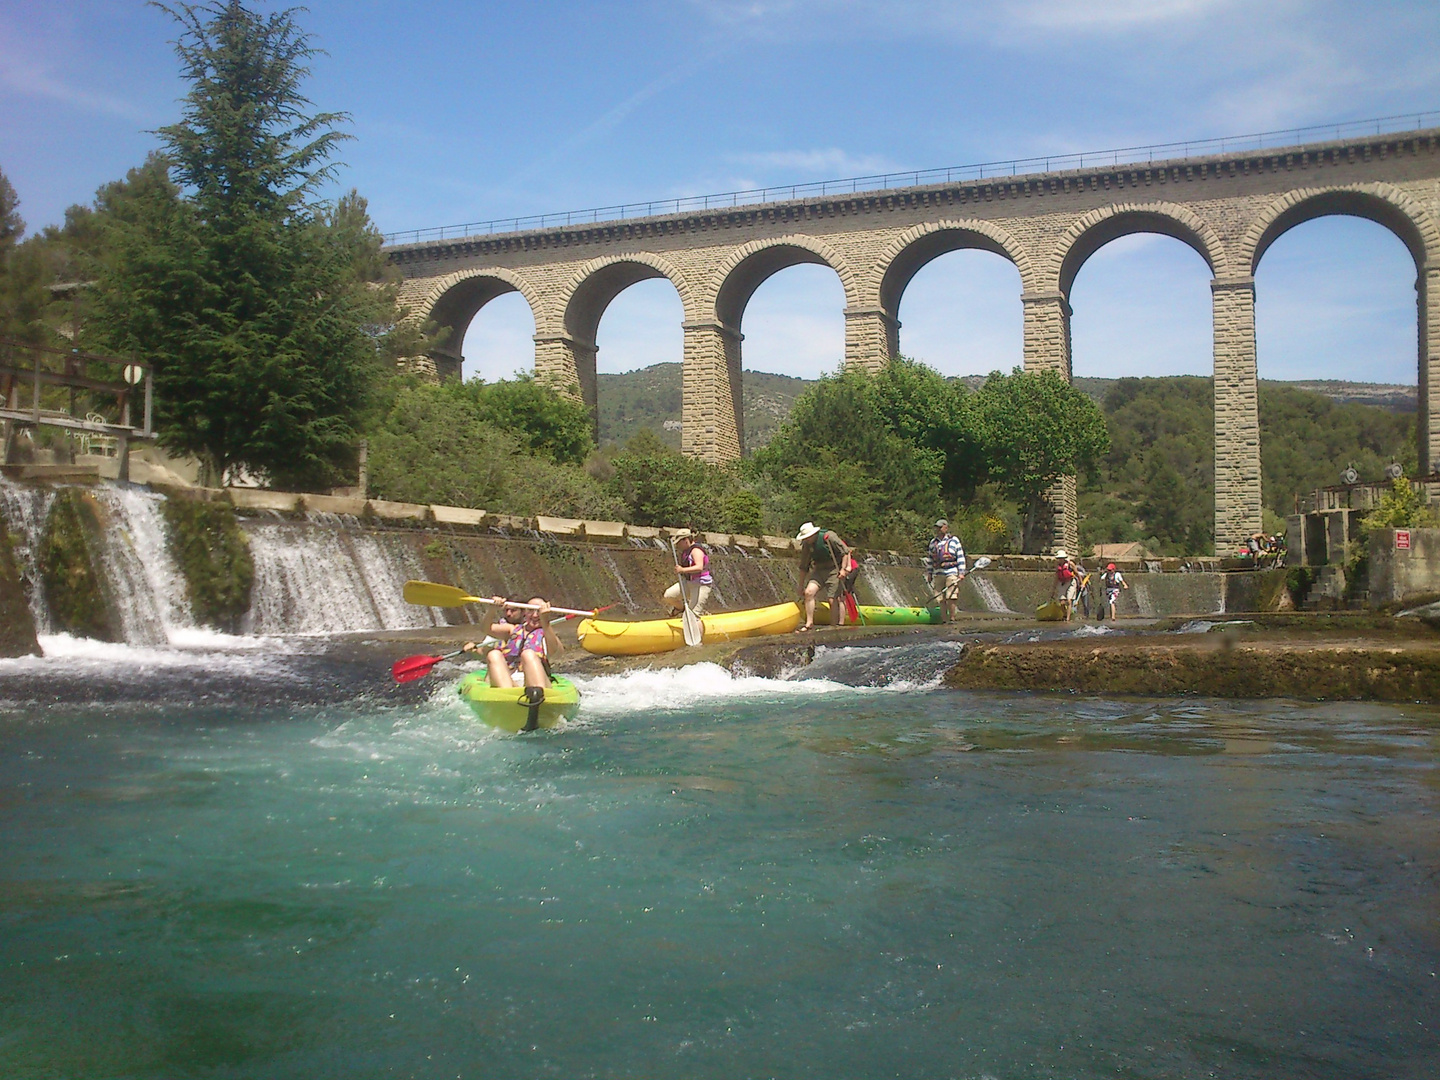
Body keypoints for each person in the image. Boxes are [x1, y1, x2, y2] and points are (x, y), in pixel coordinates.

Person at [461, 596, 562, 703]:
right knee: (494, 654)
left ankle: (539, 703)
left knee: (528, 654)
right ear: (525, 613)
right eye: (531, 610)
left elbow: (555, 652)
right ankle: (507, 700)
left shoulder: (548, 635)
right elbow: (485, 628)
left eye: (539, 611)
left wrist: (545, 621)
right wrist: (492, 609)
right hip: (508, 682)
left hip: (536, 685)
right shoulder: (512, 630)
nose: (535, 615)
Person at [794, 521, 850, 631]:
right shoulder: (806, 545)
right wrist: (800, 586)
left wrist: (844, 569)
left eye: (808, 537)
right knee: (809, 593)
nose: (806, 539)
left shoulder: (829, 537)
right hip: (818, 570)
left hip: (834, 569)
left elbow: (845, 551)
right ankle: (809, 623)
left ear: (813, 534)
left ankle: (834, 626)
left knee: (832, 599)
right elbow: (804, 566)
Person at [926, 518, 967, 623]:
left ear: (946, 527)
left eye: (940, 527)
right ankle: (944, 619)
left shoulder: (954, 540)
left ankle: (952, 618)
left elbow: (960, 556)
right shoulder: (933, 543)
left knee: (951, 596)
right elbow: (930, 559)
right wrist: (929, 573)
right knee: (940, 598)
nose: (939, 530)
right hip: (938, 573)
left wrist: (961, 572)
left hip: (952, 572)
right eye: (937, 528)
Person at [665, 529, 713, 616]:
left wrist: (682, 570)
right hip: (689, 583)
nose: (678, 545)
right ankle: (681, 609)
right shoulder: (687, 550)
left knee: (691, 615)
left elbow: (699, 567)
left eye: (679, 542)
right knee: (669, 596)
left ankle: (696, 615)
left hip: (701, 585)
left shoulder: (696, 550)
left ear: (686, 540)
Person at [1053, 550, 1078, 621]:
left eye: (1062, 558)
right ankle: (1064, 615)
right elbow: (1056, 577)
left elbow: (1077, 573)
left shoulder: (1070, 564)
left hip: (1071, 582)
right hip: (1062, 583)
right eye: (1059, 558)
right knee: (1062, 602)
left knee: (1069, 600)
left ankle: (1068, 618)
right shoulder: (1058, 566)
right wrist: (1054, 588)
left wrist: (1082, 583)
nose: (1060, 559)